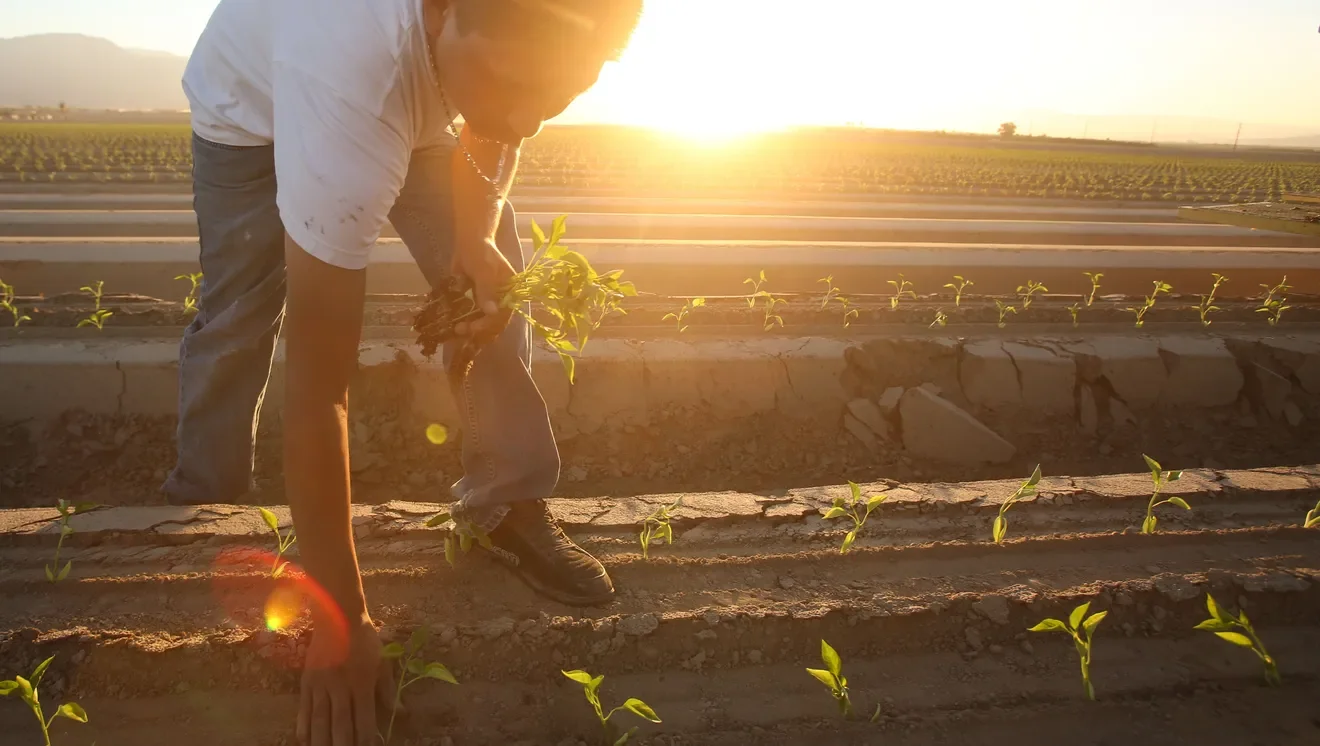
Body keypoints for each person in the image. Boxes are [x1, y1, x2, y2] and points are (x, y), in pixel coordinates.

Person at [167, 0, 642, 742]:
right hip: (249, 117)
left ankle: (505, 503)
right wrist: (342, 618)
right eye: (515, 82)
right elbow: (321, 386)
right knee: (238, 320)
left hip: (411, 95)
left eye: (559, 95)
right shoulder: (351, 75)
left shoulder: (493, 54)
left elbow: (497, 119)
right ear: (443, 11)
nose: (525, 118)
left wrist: (476, 238)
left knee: (487, 285)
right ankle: (206, 507)